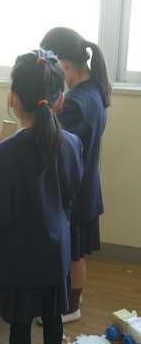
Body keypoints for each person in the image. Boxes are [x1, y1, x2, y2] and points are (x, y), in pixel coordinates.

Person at [0, 50, 83, 344]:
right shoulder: (72, 144)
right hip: (56, 250)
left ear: (12, 99)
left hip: (19, 257)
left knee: (21, 320)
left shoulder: (2, 156)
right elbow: (71, 193)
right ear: (59, 100)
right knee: (53, 314)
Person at [40, 27, 110, 323]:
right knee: (76, 252)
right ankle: (71, 299)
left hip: (76, 192)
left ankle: (70, 308)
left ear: (65, 65)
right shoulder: (95, 89)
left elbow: (59, 148)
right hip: (87, 184)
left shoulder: (76, 104)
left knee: (74, 254)